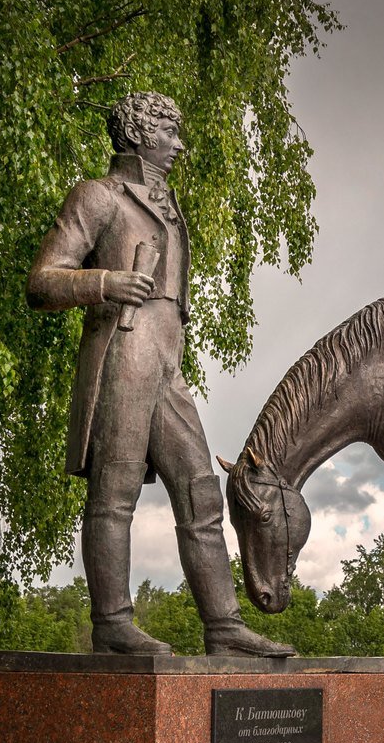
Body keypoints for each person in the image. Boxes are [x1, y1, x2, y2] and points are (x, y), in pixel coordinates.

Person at [28, 91, 293, 656]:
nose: (180, 145)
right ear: (137, 135)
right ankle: (113, 623)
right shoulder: (98, 196)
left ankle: (223, 627)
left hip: (167, 367)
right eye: (168, 134)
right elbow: (43, 279)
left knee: (201, 489)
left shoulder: (168, 202)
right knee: (114, 493)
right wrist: (105, 283)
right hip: (123, 354)